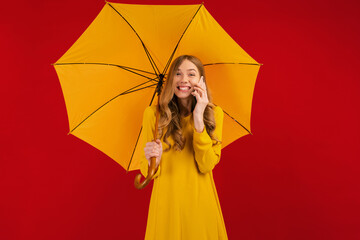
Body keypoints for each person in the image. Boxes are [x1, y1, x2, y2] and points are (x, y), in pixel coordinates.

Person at [140, 55, 228, 240]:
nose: (184, 79)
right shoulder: (153, 115)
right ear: (171, 79)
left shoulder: (214, 114)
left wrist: (198, 120)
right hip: (166, 205)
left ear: (201, 81)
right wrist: (151, 160)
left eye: (191, 74)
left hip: (200, 205)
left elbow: (206, 165)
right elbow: (147, 172)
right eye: (178, 73)